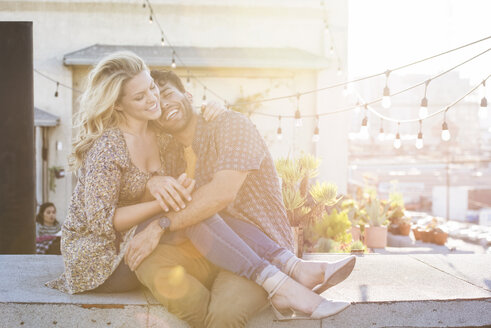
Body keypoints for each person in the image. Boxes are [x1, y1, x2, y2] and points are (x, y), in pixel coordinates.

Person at [125, 69, 355, 326]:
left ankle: (284, 282)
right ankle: (288, 283)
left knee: (225, 315)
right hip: (207, 251)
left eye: (168, 94)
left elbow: (220, 195)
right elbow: (159, 203)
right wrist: (153, 182)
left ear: (188, 95)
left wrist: (161, 225)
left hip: (262, 249)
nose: (165, 105)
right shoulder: (169, 152)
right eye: (157, 104)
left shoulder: (231, 124)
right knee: (147, 261)